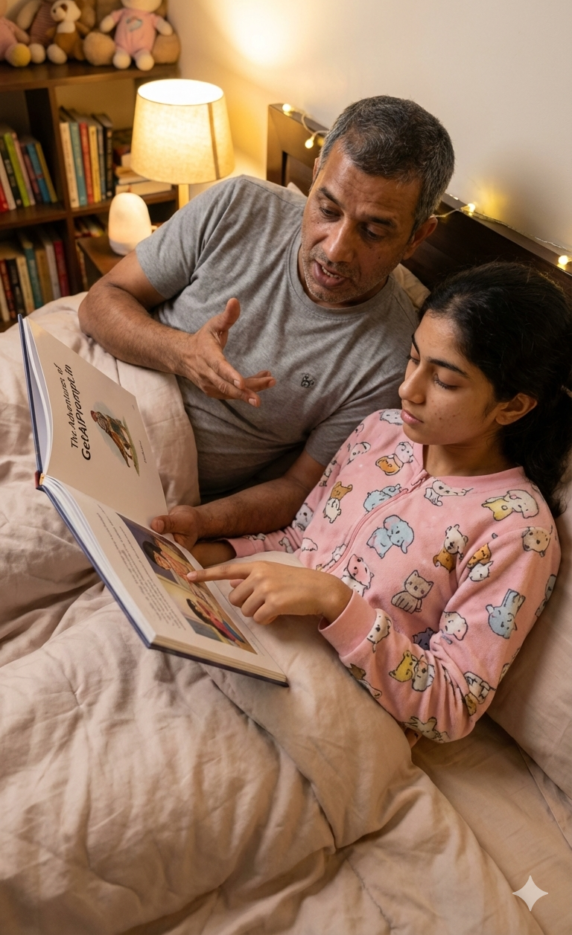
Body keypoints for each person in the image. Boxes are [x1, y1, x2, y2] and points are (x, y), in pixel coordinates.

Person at [186, 263, 572, 742]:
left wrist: (334, 600)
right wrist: (197, 555)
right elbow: (298, 537)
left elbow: (451, 707)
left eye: (445, 381)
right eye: (414, 360)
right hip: (239, 639)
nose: (408, 388)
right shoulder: (382, 431)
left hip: (322, 717)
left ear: (513, 406)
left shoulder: (518, 530)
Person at [79, 95, 454, 544]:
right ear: (315, 176)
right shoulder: (239, 204)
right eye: (327, 210)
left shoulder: (389, 359)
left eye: (373, 231)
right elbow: (100, 300)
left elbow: (299, 489)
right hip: (85, 396)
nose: (334, 249)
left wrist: (204, 524)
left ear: (418, 237)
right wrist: (180, 354)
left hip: (155, 481)